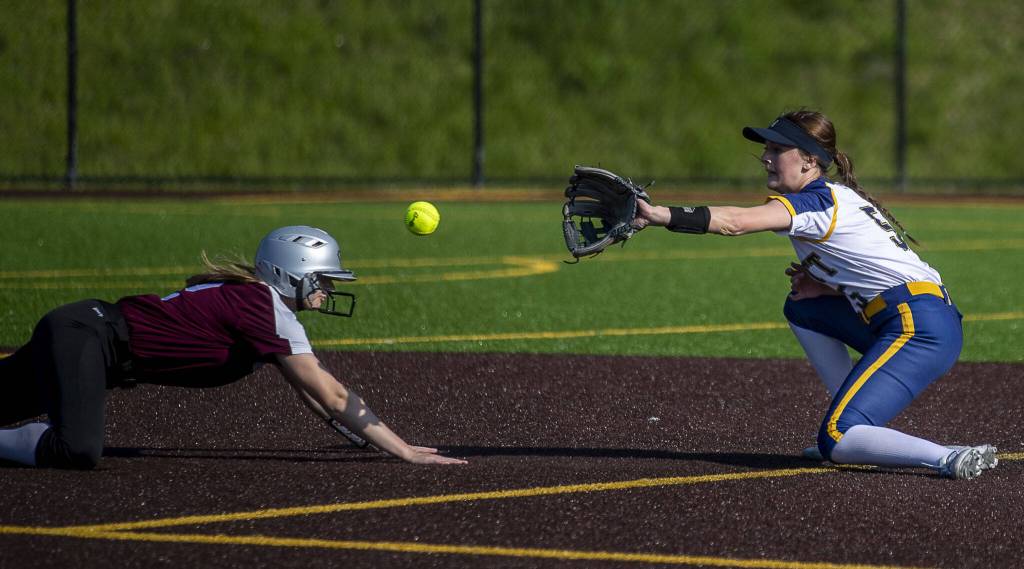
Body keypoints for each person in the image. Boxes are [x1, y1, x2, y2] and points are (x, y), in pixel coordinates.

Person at [631, 109, 997, 480]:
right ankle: (852, 424)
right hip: (917, 315)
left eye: (778, 149)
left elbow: (736, 223)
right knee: (804, 306)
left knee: (836, 438)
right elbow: (878, 267)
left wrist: (661, 214)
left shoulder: (817, 201)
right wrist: (824, 283)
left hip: (917, 326)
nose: (766, 158)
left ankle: (948, 456)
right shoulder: (834, 196)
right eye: (767, 149)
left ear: (809, 160)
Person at [0, 225, 466, 469]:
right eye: (320, 279)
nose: (326, 290)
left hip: (86, 339)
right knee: (78, 450)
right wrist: (402, 449)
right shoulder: (262, 307)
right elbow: (333, 393)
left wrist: (364, 436)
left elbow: (310, 393)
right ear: (290, 273)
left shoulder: (262, 306)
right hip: (87, 339)